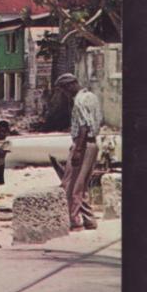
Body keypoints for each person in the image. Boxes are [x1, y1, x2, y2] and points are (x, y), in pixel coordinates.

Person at [54, 73, 102, 230]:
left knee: (71, 185)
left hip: (83, 144)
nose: (65, 94)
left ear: (69, 86)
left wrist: (78, 151)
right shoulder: (91, 96)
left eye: (64, 90)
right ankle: (89, 219)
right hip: (93, 145)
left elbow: (84, 126)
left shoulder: (79, 101)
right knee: (82, 185)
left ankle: (74, 221)